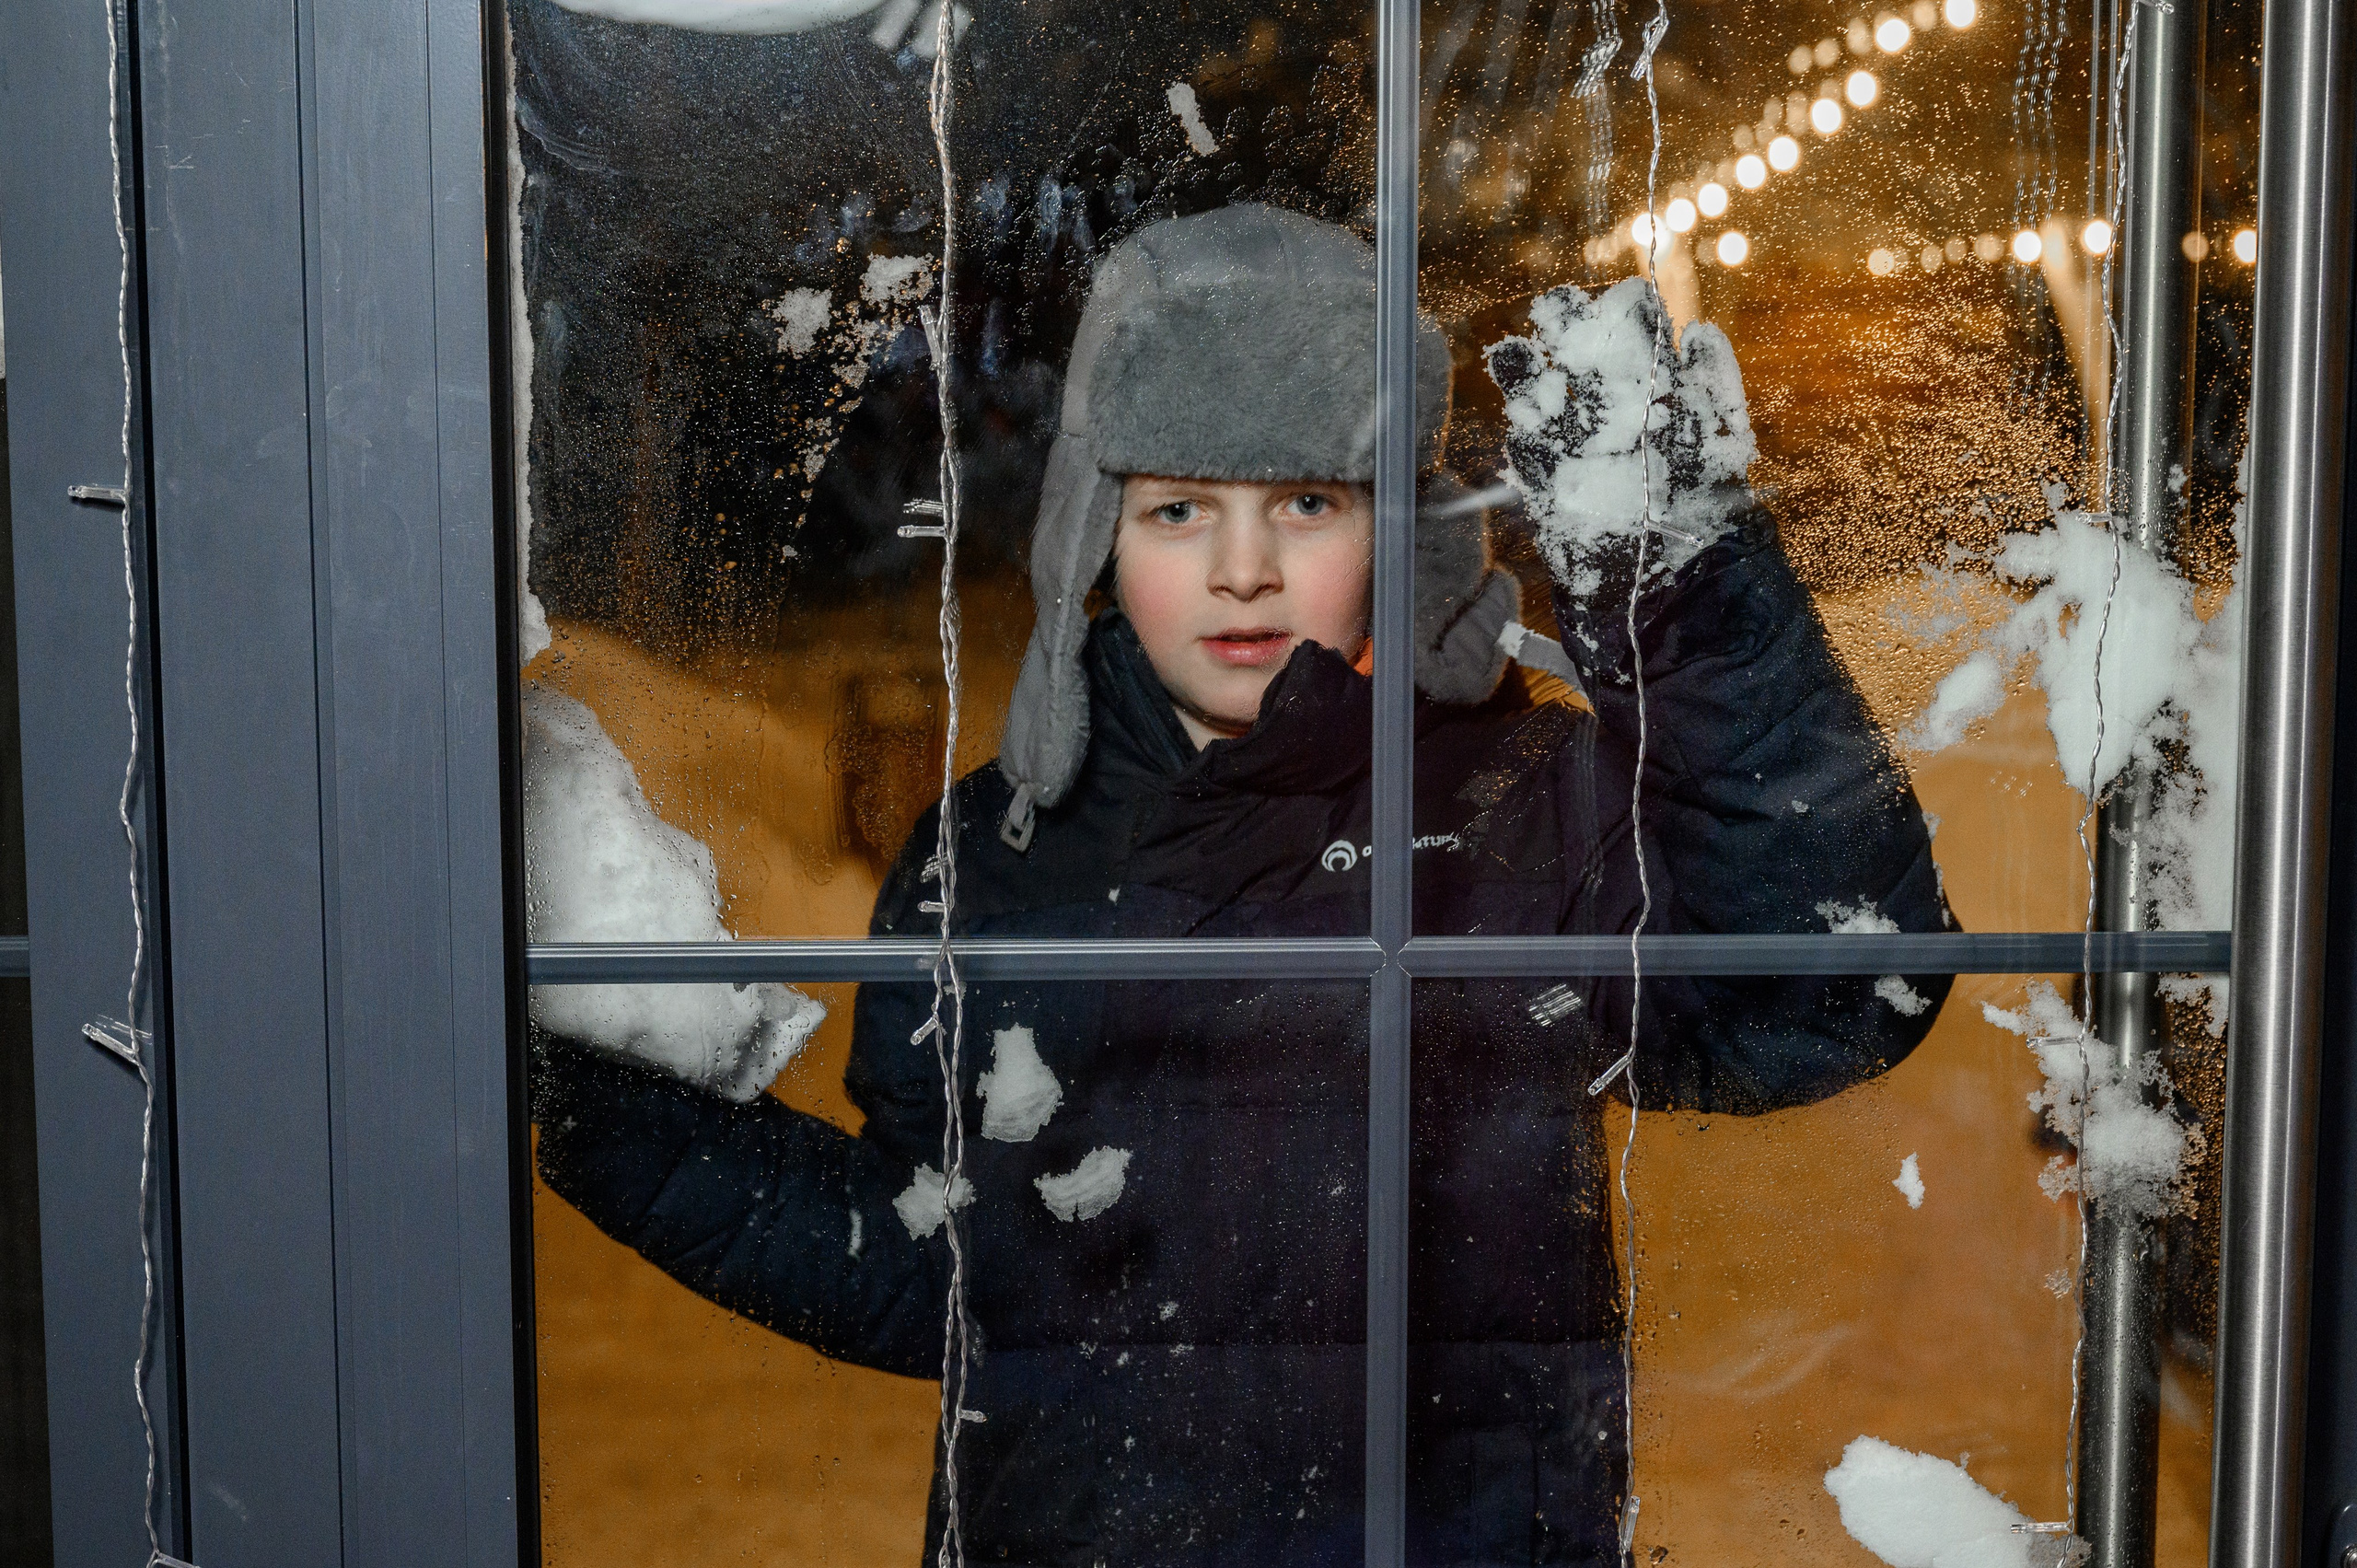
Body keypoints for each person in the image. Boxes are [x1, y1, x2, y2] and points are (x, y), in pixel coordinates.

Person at [533, 203, 1952, 1567]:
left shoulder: (1517, 801)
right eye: (1177, 510)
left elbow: (1823, 990)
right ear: (1099, 531)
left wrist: (1685, 589)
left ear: (1392, 529)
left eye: (1305, 500)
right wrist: (588, 1090)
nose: (1243, 571)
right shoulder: (995, 850)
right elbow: (944, 1266)